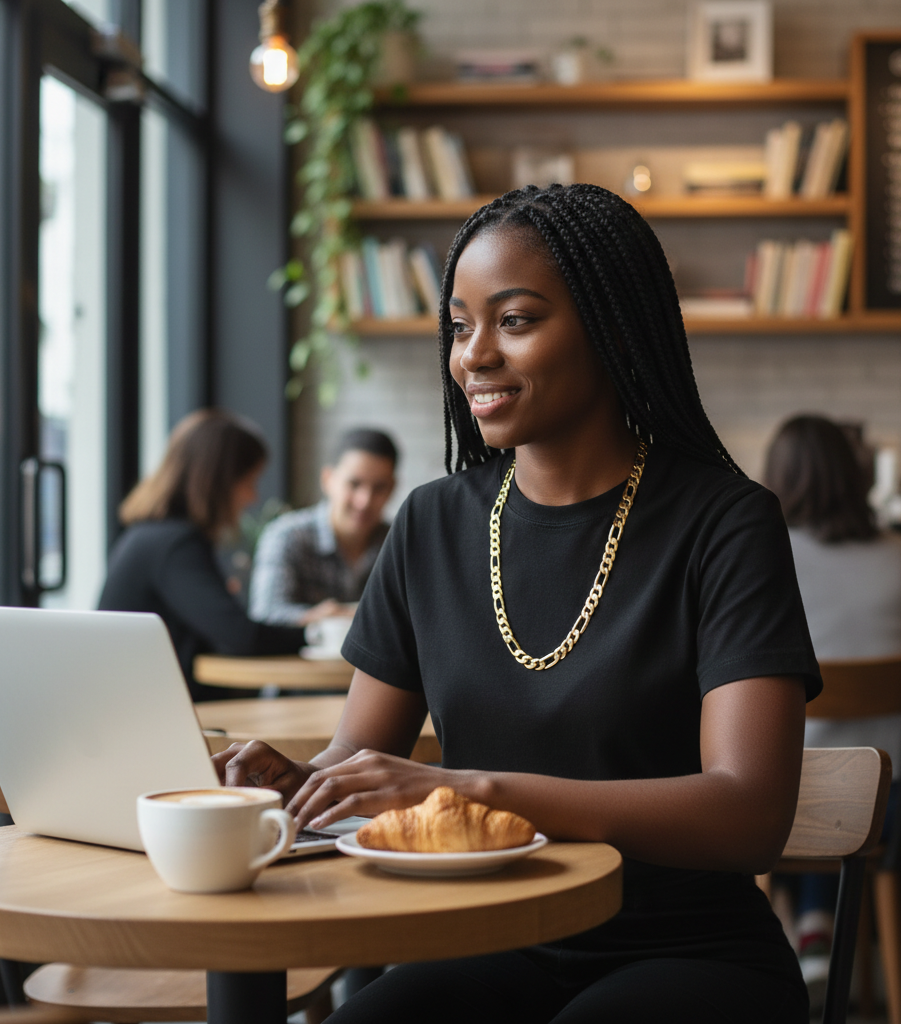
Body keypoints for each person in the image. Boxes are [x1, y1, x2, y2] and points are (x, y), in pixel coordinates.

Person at [215, 183, 822, 1023]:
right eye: (460, 326)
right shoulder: (431, 522)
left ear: (612, 327)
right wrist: (292, 787)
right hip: (484, 939)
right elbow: (358, 760)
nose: (473, 355)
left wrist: (476, 785)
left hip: (687, 951)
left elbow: (748, 812)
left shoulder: (725, 522)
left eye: (517, 319)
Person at [763, 414, 901, 1003]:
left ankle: (803, 935)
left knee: (785, 781)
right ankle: (818, 931)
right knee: (840, 784)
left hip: (793, 803)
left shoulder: (762, 555)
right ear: (857, 474)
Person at [99, 409, 314, 702]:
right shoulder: (177, 544)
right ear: (218, 482)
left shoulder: (149, 536)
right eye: (249, 482)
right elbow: (241, 636)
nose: (253, 497)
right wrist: (315, 633)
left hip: (134, 704)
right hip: (158, 715)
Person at [248, 428, 397, 627]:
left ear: (392, 489)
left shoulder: (398, 543)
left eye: (379, 488)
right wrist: (324, 617)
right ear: (328, 479)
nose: (365, 501)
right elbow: (265, 614)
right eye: (354, 484)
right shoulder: (287, 535)